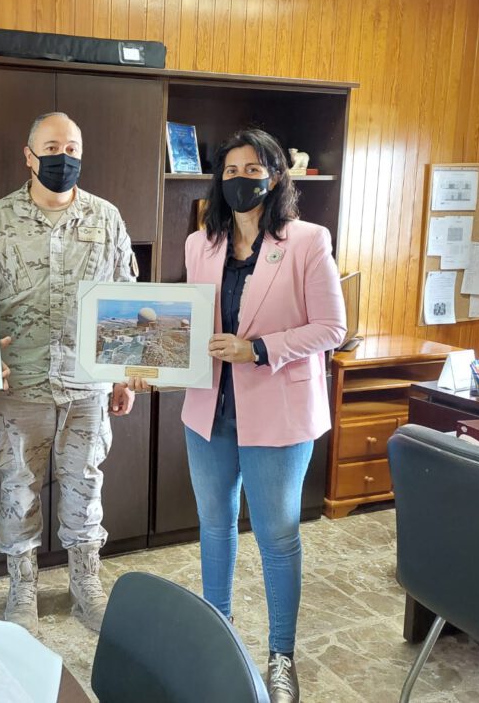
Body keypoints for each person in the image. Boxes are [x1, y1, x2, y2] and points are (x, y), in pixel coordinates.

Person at [131, 128, 345, 703]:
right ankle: (217, 636)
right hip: (210, 410)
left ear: (274, 176)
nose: (240, 179)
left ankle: (281, 655)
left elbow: (332, 328)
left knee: (277, 535)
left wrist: (259, 349)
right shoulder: (200, 244)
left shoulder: (307, 240)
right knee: (215, 524)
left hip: (278, 409)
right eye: (230, 170)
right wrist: (147, 363)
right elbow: (190, 325)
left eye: (253, 169)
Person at [0, 112, 137, 632]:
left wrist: (123, 374)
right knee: (18, 490)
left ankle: (86, 586)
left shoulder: (106, 217)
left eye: (73, 147)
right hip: (19, 385)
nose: (64, 156)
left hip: (87, 384)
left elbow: (126, 299)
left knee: (86, 487)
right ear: (29, 155)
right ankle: (23, 590)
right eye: (53, 146)